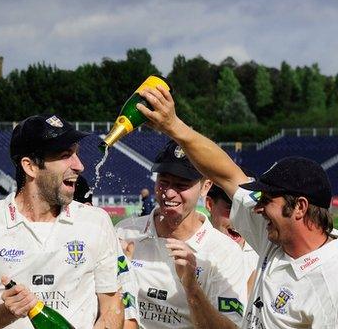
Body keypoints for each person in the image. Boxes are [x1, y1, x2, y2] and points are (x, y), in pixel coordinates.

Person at [136, 83, 338, 327]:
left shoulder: (330, 284)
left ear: (300, 207)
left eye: (267, 200)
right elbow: (228, 175)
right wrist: (174, 126)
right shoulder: (273, 237)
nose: (258, 208)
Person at [0, 114, 126, 328]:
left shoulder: (96, 221)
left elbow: (112, 307)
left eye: (76, 154)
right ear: (30, 167)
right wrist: (6, 312)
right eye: (66, 155)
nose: (79, 166)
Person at [116, 140, 248, 328]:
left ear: (205, 187)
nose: (169, 193)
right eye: (163, 182)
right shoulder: (124, 232)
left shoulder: (225, 252)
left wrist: (192, 288)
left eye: (181, 185)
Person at [205, 183, 259, 294]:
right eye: (231, 208)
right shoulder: (193, 250)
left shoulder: (264, 254)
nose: (240, 219)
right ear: (210, 204)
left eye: (248, 210)